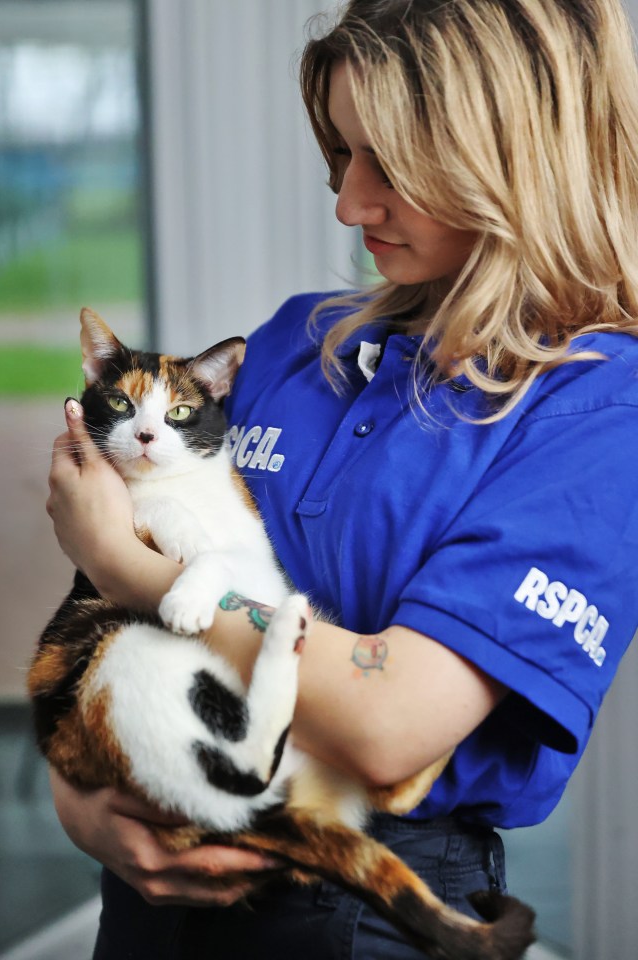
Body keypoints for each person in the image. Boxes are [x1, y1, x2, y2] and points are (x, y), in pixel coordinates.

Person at [46, 0, 638, 957]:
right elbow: (106, 645)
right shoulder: (297, 341)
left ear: (516, 159)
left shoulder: (599, 410)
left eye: (390, 166)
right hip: (149, 881)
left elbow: (387, 724)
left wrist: (120, 561)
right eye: (342, 154)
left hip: (363, 907)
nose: (349, 204)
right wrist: (84, 801)